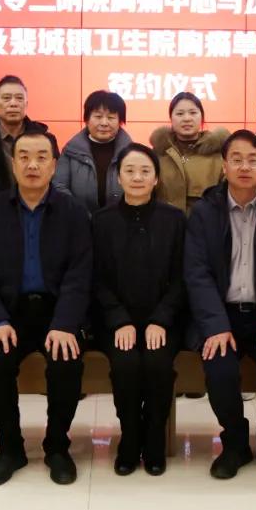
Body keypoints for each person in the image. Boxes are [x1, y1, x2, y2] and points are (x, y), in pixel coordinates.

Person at [0, 131, 92, 487]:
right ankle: (9, 447)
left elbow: (80, 273)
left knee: (66, 361)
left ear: (54, 164)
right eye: (23, 156)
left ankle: (57, 446)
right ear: (13, 163)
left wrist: (65, 323)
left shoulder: (73, 212)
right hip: (9, 312)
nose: (32, 164)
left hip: (57, 310)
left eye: (41, 157)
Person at [185, 130, 256, 481]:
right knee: (219, 371)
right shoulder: (205, 212)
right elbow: (197, 273)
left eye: (253, 160)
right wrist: (215, 325)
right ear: (224, 166)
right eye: (236, 159)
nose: (244, 167)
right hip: (222, 316)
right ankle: (235, 443)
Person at [92, 143, 186, 476]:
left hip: (163, 319)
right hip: (116, 321)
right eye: (129, 170)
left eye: (145, 171)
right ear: (118, 177)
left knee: (159, 363)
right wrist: (119, 320)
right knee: (126, 364)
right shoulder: (101, 221)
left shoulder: (174, 220)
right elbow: (96, 279)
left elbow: (182, 277)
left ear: (156, 178)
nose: (137, 177)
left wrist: (162, 318)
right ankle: (130, 436)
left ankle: (154, 436)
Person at [0, 75, 50, 195]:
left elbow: (54, 181)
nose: (13, 103)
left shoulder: (45, 140)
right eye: (6, 98)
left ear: (26, 104)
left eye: (19, 98)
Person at [150, 92, 229, 216]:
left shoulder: (218, 155)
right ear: (171, 118)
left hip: (205, 224)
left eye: (193, 113)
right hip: (164, 223)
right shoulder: (158, 154)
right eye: (180, 114)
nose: (187, 118)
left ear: (202, 117)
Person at [54, 90, 132, 213]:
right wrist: (80, 215)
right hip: (79, 220)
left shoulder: (132, 153)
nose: (104, 123)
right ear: (87, 119)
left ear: (120, 122)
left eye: (111, 117)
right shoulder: (71, 151)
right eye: (98, 117)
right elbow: (59, 187)